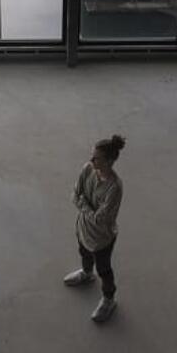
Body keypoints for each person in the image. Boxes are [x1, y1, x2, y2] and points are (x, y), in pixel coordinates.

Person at [63, 134, 125, 322]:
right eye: (92, 155)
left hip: (101, 238)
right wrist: (86, 206)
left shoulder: (114, 187)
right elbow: (74, 194)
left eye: (96, 158)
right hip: (82, 229)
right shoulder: (88, 168)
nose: (91, 160)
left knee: (104, 269)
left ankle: (109, 299)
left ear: (109, 161)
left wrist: (83, 204)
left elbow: (100, 220)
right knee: (83, 252)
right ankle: (87, 273)